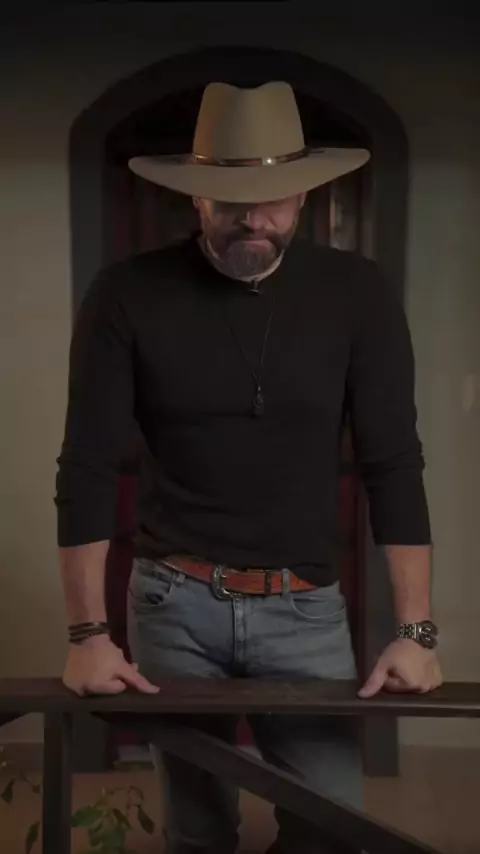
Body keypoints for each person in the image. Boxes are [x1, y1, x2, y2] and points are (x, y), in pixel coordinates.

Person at [57, 81, 443, 854]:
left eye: (272, 199)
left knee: (331, 831)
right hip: (172, 603)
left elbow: (394, 463)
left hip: (305, 609)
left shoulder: (358, 292)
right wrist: (88, 634)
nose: (253, 218)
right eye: (231, 201)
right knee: (198, 833)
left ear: (304, 195)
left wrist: (416, 631)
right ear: (196, 197)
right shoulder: (125, 294)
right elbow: (88, 467)